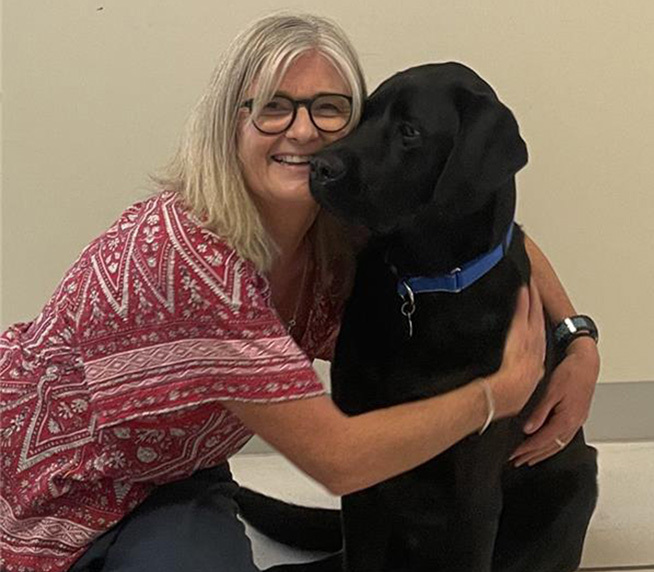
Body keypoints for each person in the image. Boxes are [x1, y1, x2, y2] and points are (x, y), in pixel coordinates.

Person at [0, 12, 599, 572]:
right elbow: (337, 460)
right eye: (273, 108)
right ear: (227, 123)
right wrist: (499, 392)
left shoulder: (336, 224)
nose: (304, 130)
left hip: (168, 478)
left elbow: (496, 236)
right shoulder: (191, 264)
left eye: (330, 109)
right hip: (35, 482)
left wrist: (577, 341)